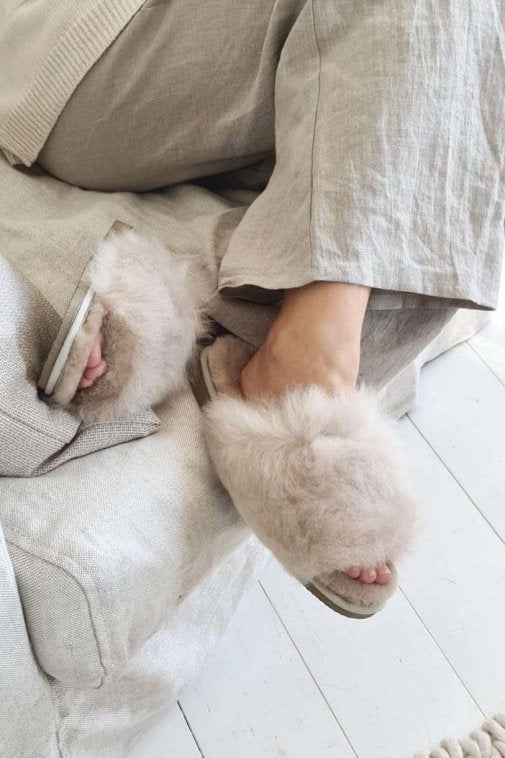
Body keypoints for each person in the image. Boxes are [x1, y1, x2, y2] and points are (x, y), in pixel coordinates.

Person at [2, 0, 503, 598]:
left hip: (250, 56)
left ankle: (244, 322)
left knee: (439, 90)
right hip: (91, 47)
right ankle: (306, 366)